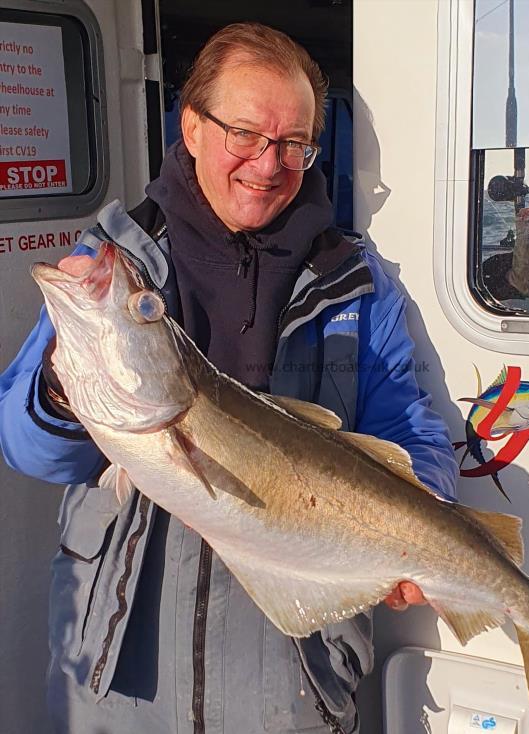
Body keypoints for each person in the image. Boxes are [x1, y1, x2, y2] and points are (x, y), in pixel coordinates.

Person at [0, 22, 458, 734]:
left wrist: (419, 523)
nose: (268, 164)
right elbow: (31, 449)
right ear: (191, 125)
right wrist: (63, 387)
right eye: (245, 133)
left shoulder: (356, 285)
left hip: (294, 670)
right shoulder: (117, 265)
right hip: (119, 668)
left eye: (294, 144)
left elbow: (407, 426)